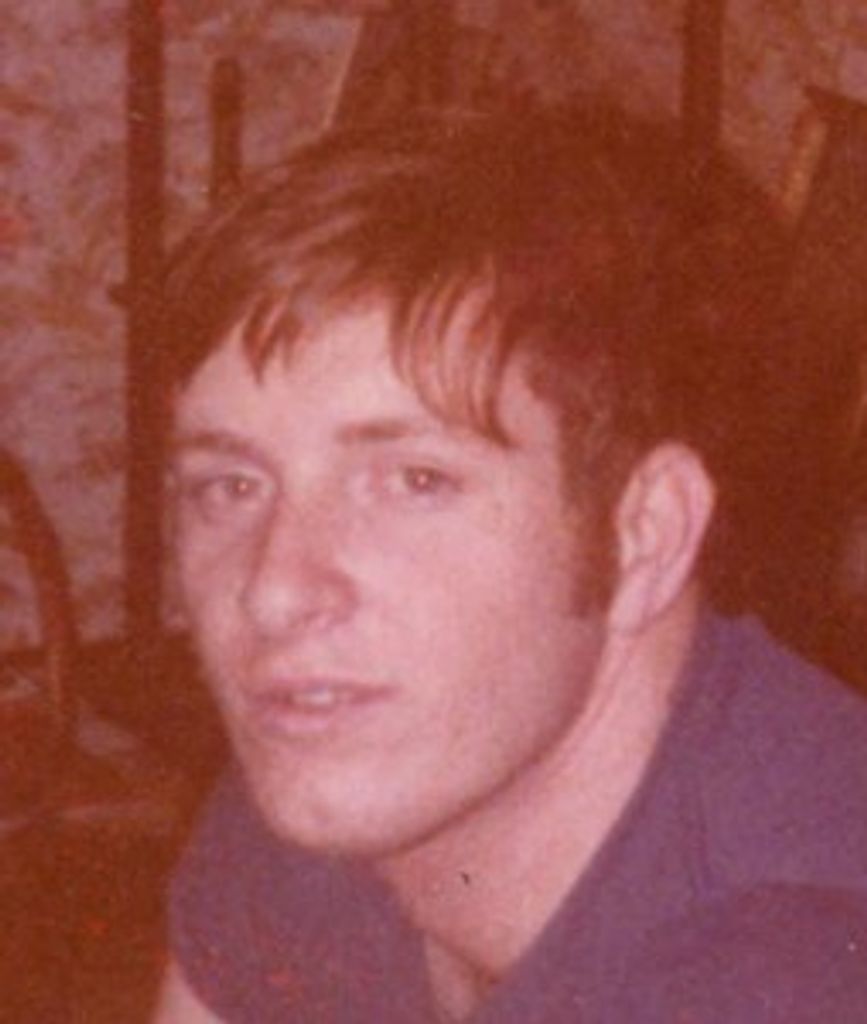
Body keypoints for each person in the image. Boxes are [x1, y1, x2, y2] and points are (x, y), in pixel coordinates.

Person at [152, 105, 867, 1022]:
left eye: (414, 480)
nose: (274, 590)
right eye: (230, 485)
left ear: (642, 534)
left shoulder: (797, 965)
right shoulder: (353, 758)